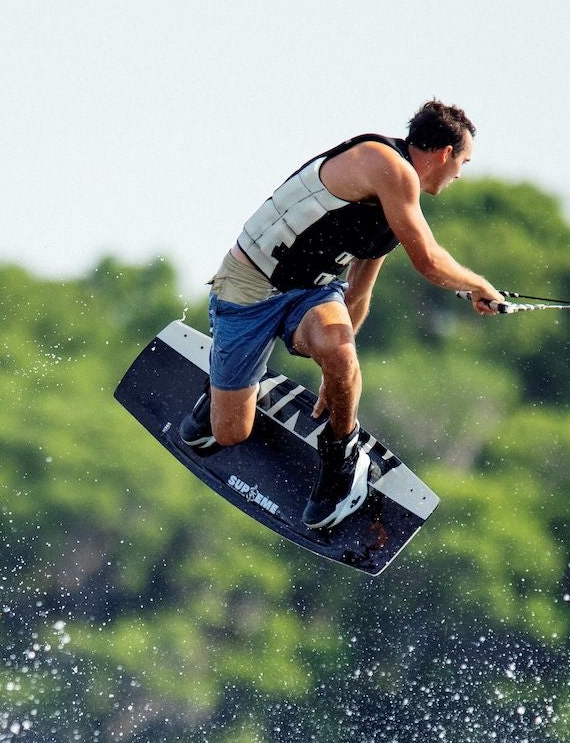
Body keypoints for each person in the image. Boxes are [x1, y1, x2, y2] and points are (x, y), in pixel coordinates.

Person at [178, 100, 506, 530]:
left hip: (311, 294)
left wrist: (336, 376)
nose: (461, 173)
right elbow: (428, 262)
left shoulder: (394, 206)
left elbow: (358, 290)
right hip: (247, 288)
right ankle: (222, 389)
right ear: (445, 154)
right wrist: (478, 285)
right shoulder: (384, 164)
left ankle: (343, 456)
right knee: (227, 435)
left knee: (339, 347)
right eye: (463, 161)